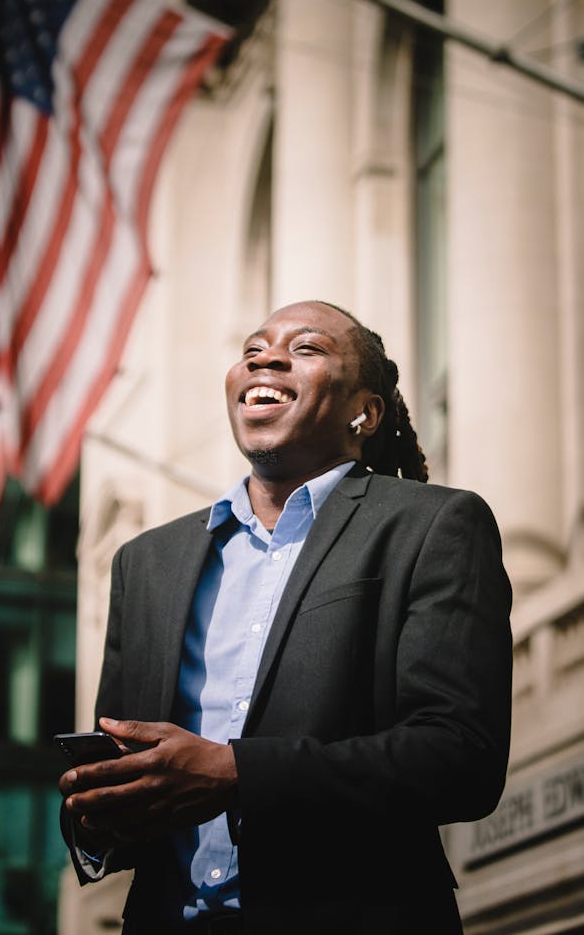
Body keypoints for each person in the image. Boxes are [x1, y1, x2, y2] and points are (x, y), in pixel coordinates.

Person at [59, 300, 512, 935]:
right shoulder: (146, 563)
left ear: (366, 410)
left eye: (306, 348)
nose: (264, 358)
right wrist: (100, 809)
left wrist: (237, 775)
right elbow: (125, 767)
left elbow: (461, 757)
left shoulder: (433, 525)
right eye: (253, 348)